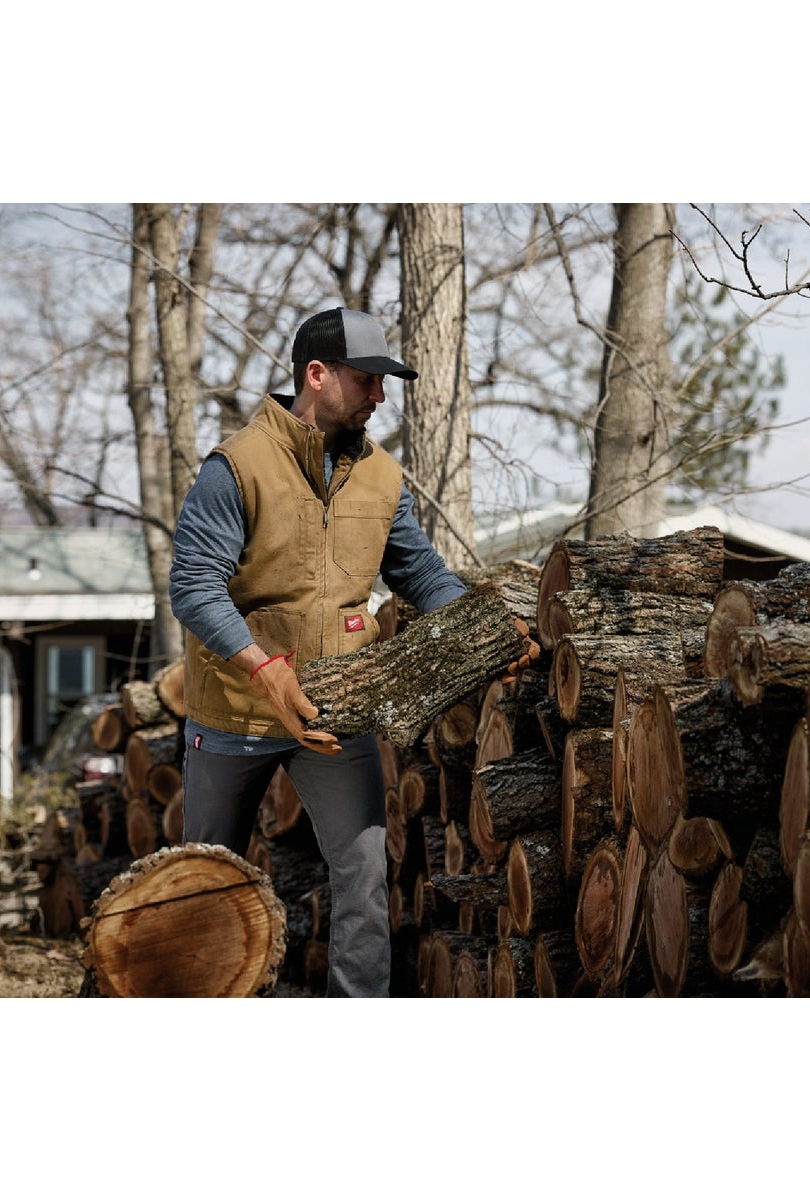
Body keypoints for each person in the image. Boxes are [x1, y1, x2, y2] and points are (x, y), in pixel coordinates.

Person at [169, 306, 533, 998]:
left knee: (365, 877)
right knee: (203, 884)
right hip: (232, 715)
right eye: (367, 380)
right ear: (317, 375)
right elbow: (193, 586)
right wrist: (264, 669)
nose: (379, 395)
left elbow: (419, 572)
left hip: (337, 712)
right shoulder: (236, 467)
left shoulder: (382, 477)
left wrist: (488, 627)